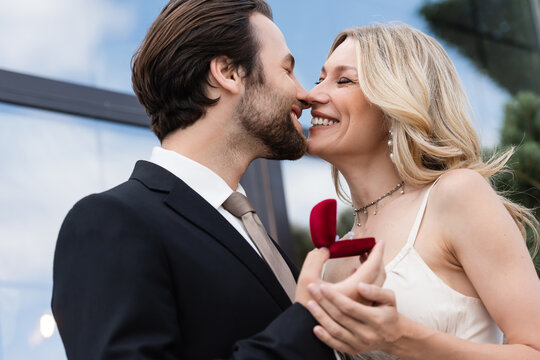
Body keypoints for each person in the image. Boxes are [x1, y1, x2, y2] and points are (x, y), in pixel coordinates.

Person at [51, 1, 385, 359]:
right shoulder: (110, 222)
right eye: (287, 70)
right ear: (227, 73)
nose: (305, 95)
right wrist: (307, 319)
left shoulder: (256, 236)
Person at [302, 24, 540, 359]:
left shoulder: (455, 195)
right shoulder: (334, 254)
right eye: (319, 78)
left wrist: (403, 337)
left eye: (343, 80)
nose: (312, 95)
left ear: (394, 103)